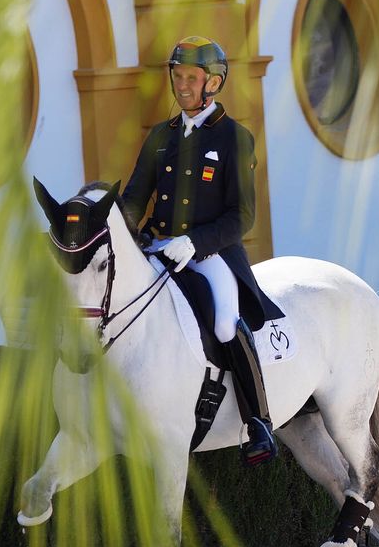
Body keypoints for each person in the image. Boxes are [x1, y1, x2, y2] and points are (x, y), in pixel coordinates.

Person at [119, 36, 285, 466]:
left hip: (211, 256)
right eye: (177, 77)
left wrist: (194, 242)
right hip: (159, 248)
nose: (182, 86)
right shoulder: (161, 136)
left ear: (213, 83)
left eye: (191, 78)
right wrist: (121, 231)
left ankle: (257, 423)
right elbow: (136, 198)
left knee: (227, 324)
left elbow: (241, 218)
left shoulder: (235, 138)